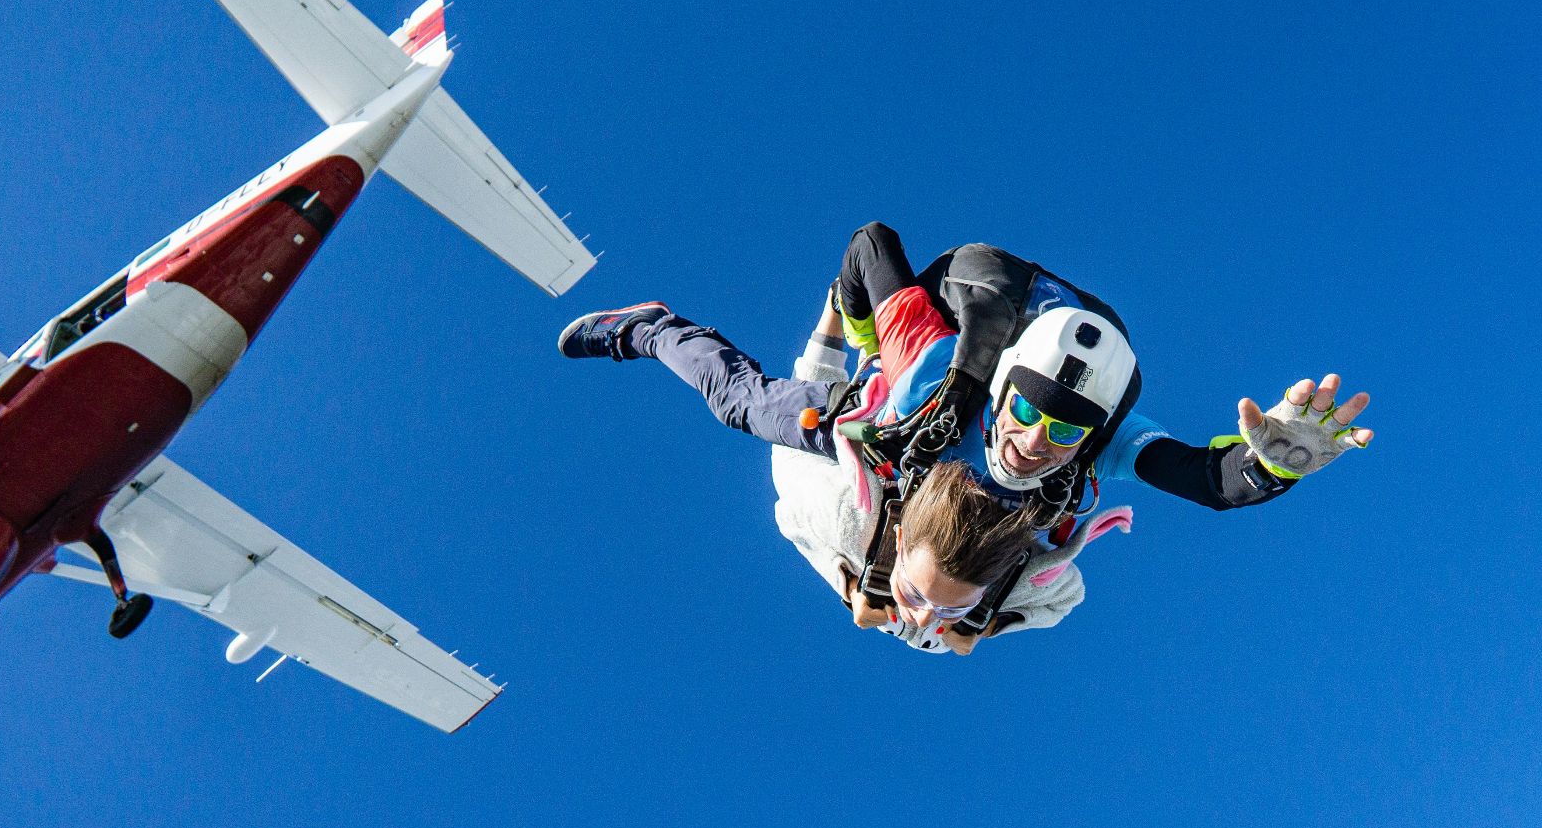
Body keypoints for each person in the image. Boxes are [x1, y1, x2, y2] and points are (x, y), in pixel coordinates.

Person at [558, 224, 1374, 652]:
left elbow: (1204, 480)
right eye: (1026, 414)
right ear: (1001, 387)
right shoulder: (925, 373)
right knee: (745, 406)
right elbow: (871, 243)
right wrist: (861, 327)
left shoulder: (1103, 439)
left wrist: (1269, 466)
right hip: (922, 363)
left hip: (962, 439)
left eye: (1065, 430)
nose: (1035, 443)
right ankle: (651, 327)